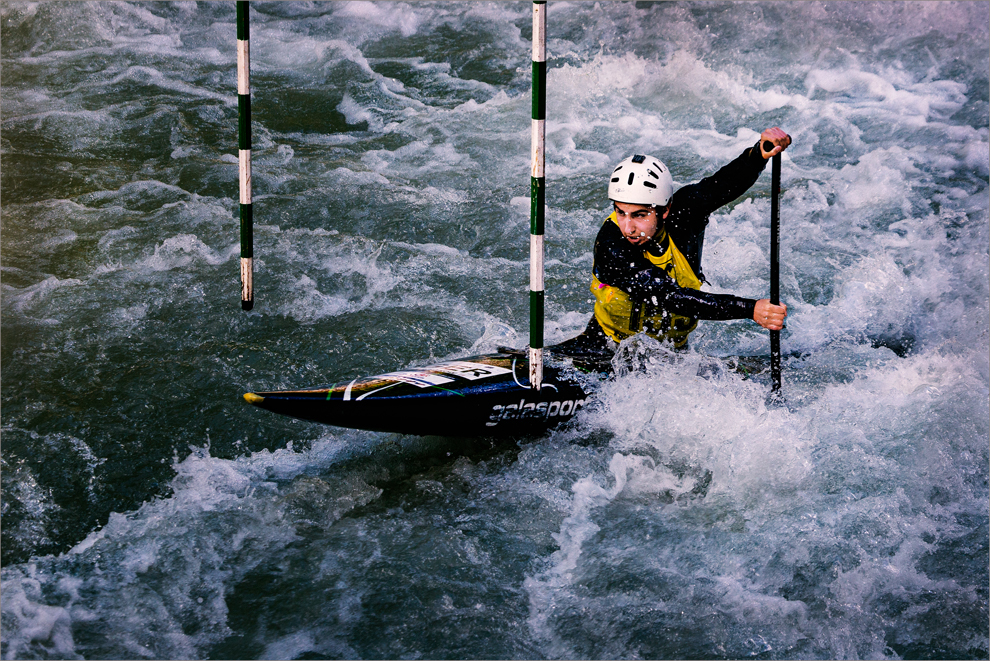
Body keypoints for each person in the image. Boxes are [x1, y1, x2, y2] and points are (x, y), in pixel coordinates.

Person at [548, 127, 790, 359]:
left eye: (640, 215)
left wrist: (759, 153)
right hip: (606, 347)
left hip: (671, 355)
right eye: (621, 212)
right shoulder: (611, 245)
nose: (628, 227)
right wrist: (749, 309)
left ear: (664, 211)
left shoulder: (684, 214)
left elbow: (723, 184)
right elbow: (670, 297)